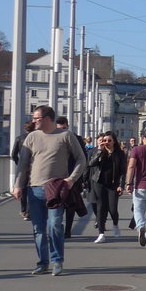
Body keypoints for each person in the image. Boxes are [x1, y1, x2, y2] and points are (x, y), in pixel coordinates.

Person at [12, 106, 87, 276]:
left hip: (56, 188)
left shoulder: (65, 136)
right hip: (34, 188)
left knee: (54, 225)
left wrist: (71, 179)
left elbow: (81, 159)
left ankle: (57, 260)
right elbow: (22, 163)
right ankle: (42, 262)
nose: (33, 121)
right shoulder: (32, 137)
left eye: (36, 118)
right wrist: (18, 185)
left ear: (47, 118)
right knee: (38, 228)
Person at [88, 132, 126, 242]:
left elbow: (123, 171)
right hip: (99, 183)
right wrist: (99, 151)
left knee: (113, 209)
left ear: (114, 141)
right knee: (101, 208)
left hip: (113, 185)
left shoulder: (119, 154)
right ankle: (101, 233)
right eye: (105, 140)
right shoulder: (99, 152)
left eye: (109, 140)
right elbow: (91, 164)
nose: (107, 143)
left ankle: (115, 224)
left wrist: (121, 185)